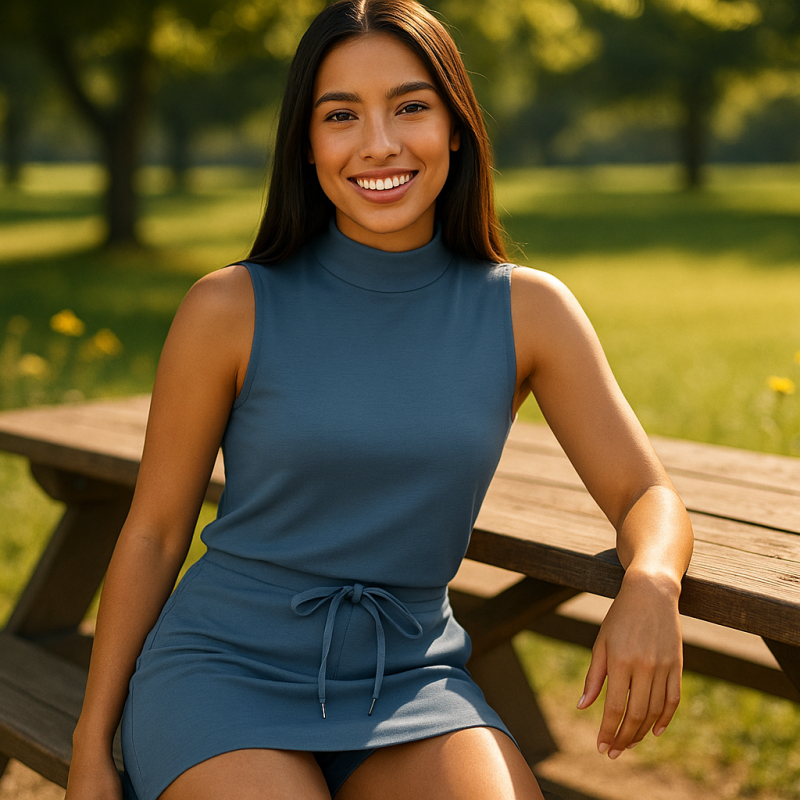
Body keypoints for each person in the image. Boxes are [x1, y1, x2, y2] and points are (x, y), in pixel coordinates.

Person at [65, 1, 694, 798]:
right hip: (221, 672)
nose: (380, 144)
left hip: (409, 681)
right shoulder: (227, 308)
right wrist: (92, 748)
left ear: (456, 127)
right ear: (306, 143)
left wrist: (652, 582)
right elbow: (155, 535)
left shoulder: (528, 311)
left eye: (411, 107)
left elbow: (647, 493)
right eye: (341, 115)